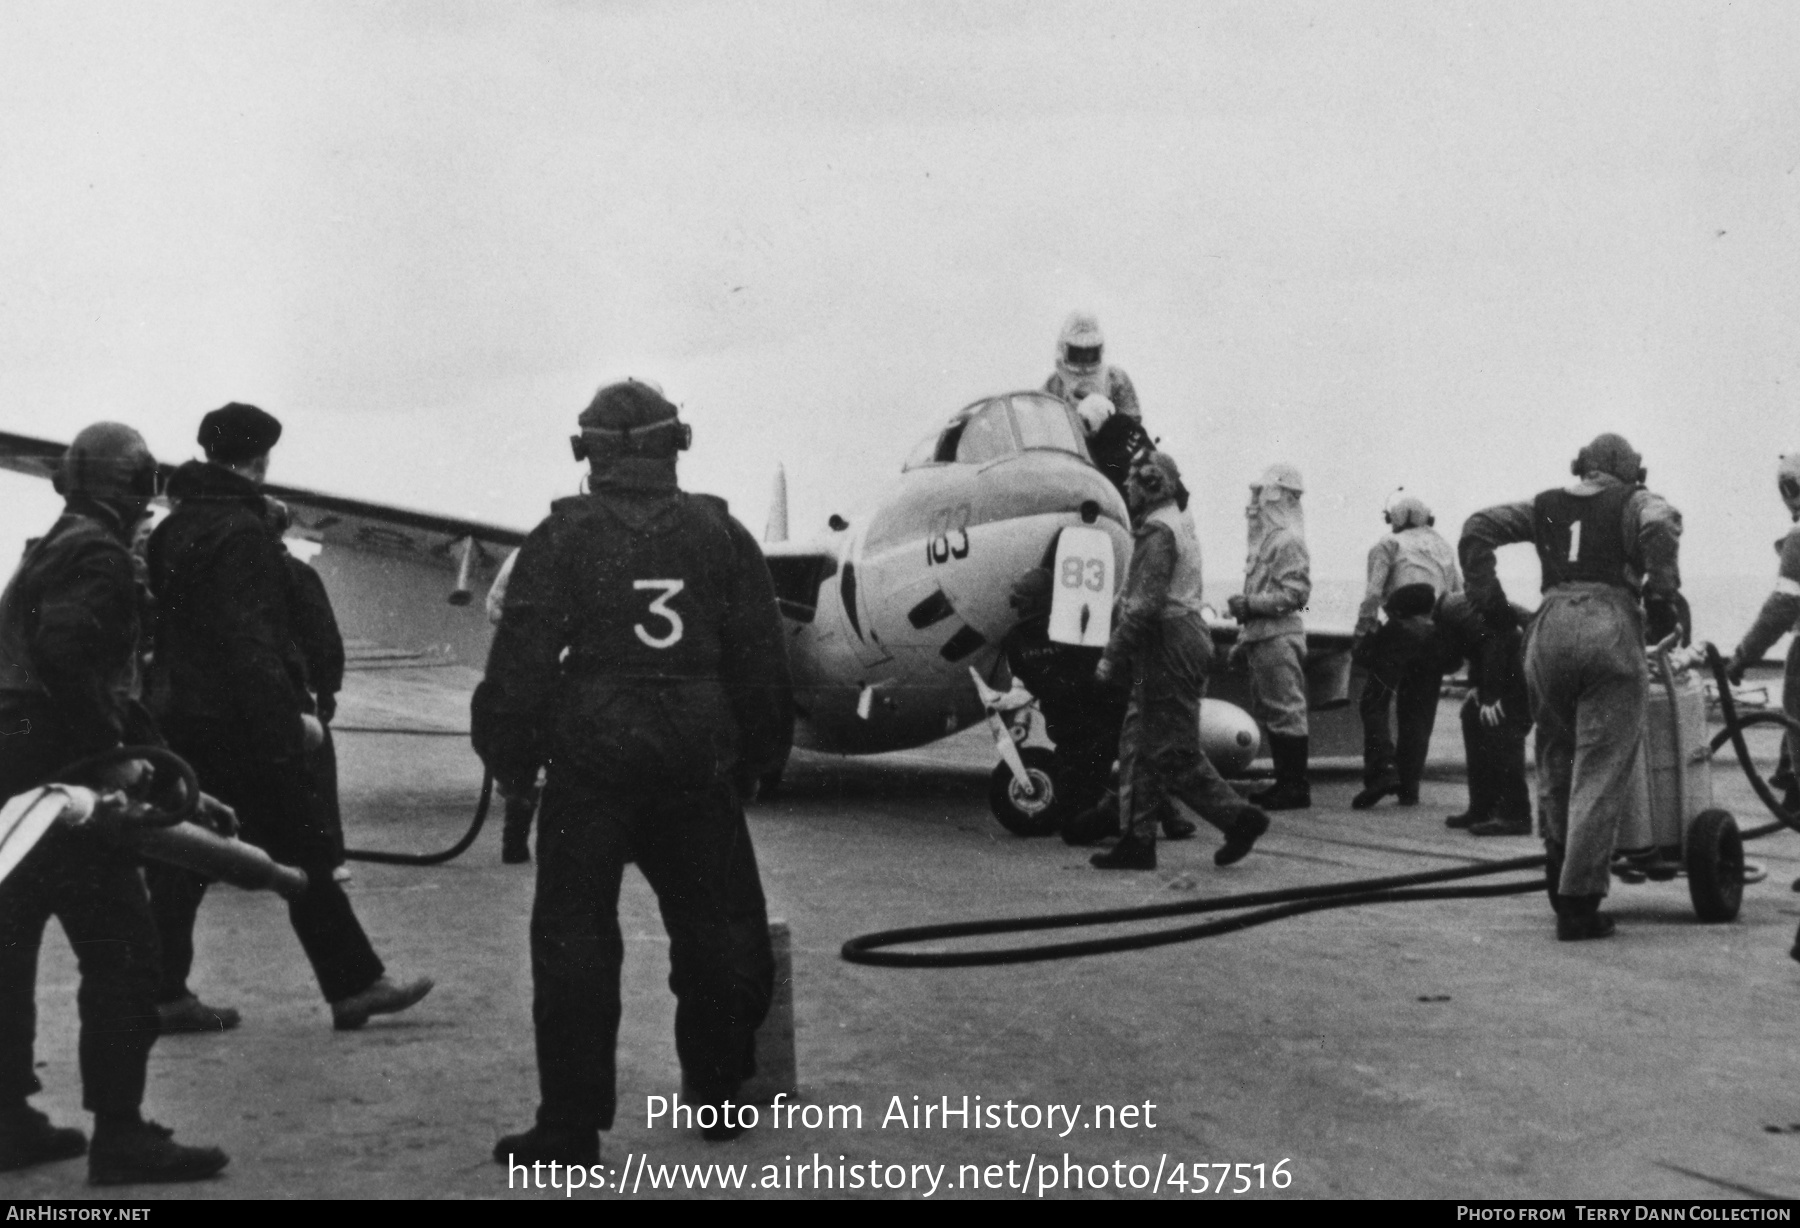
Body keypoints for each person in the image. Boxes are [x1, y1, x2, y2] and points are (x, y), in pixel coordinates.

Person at [474, 379, 793, 1165]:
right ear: (674, 445)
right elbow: (761, 664)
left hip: (591, 762)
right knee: (719, 929)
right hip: (697, 762)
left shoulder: (561, 537)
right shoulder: (723, 536)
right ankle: (719, 1094)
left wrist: (511, 760)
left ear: (588, 453)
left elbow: (518, 666)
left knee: (575, 940)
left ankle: (570, 1124)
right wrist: (756, 760)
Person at [145, 403, 433, 1029]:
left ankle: (163, 991)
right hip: (244, 730)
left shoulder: (172, 530)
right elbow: (252, 645)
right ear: (260, 459)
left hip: (182, 723)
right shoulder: (244, 533)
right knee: (304, 855)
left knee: (184, 855)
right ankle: (355, 985)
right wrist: (287, 727)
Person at [0, 423, 227, 1183]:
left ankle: (7, 1122)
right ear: (133, 487)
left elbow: (88, 677)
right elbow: (74, 663)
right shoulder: (101, 555)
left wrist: (173, 777)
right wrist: (119, 761)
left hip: (13, 778)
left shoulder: (52, 546)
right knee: (125, 953)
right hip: (63, 784)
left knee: (9, 952)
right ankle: (123, 1136)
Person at [1461, 432, 1682, 941]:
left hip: (1550, 627)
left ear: (1583, 467)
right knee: (1599, 771)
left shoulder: (1545, 506)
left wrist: (1488, 600)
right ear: (1630, 470)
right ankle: (1580, 905)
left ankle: (1559, 882)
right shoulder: (1636, 501)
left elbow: (1478, 527)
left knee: (1556, 759)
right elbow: (1661, 523)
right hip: (1610, 623)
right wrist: (1663, 595)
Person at [1090, 452, 1272, 870]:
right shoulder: (1178, 520)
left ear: (1150, 486)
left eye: (1133, 484)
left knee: (1170, 748)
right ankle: (1137, 839)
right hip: (1179, 639)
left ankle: (1239, 818)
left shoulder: (1157, 531)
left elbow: (1144, 605)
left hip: (1167, 643)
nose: (1128, 492)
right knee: (1141, 742)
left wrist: (1110, 656)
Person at [1000, 568, 1146, 838]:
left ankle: (1121, 814)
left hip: (1071, 731)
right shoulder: (1077, 627)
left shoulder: (1016, 639)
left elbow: (1030, 680)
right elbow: (1103, 672)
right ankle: (1137, 812)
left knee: (1073, 818)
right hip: (1097, 725)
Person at [1351, 493, 1462, 810]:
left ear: (1395, 519)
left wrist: (1362, 633)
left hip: (1399, 635)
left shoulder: (1387, 545)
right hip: (1436, 637)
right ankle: (1409, 787)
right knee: (1419, 713)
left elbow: (1373, 594)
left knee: (1375, 702)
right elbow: (1458, 597)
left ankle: (1383, 771)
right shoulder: (1444, 547)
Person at [264, 498, 350, 880]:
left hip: (241, 689)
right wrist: (328, 689)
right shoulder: (297, 574)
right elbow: (323, 637)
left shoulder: (235, 572)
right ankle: (326, 858)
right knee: (314, 772)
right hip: (290, 691)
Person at [1226, 464, 1312, 810]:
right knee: (1276, 711)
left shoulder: (1287, 541)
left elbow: (1295, 595)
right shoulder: (1272, 541)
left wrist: (1249, 605)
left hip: (1276, 638)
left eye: (1261, 494)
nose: (1255, 503)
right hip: (1265, 637)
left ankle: (1293, 786)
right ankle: (1287, 783)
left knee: (1285, 711)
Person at [1435, 593, 1534, 836]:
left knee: (1502, 724)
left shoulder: (1454, 611)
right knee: (1472, 715)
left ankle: (1515, 814)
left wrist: (1492, 697)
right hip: (1512, 657)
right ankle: (1482, 808)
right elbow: (1479, 647)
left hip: (1522, 658)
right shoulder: (1457, 610)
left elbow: (1494, 641)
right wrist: (1476, 687)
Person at [484, 547, 539, 864]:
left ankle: (515, 843)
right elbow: (496, 606)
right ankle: (514, 843)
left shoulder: (528, 550)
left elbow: (494, 606)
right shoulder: (527, 553)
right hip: (539, 666)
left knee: (524, 756)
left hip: (533, 664)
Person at [1044, 312, 1140, 419]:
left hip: (1107, 435)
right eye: (1077, 353)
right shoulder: (1056, 383)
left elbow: (1132, 419)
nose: (1083, 360)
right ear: (1064, 349)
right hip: (1064, 434)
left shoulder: (1115, 379)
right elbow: (1039, 416)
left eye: (1089, 354)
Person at [1074, 394, 1153, 500]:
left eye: (1086, 423)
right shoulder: (1128, 426)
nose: (1084, 429)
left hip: (1131, 504)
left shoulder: (1101, 446)